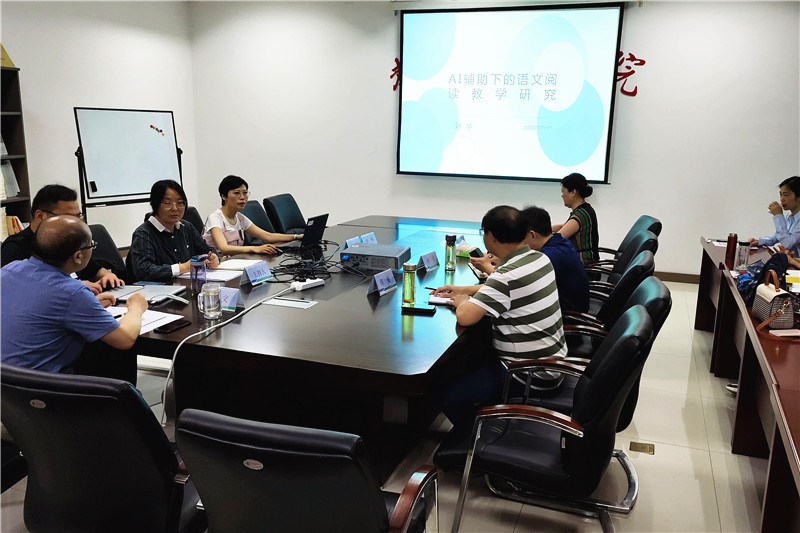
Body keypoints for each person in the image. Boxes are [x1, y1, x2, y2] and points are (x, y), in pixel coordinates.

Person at [430, 205, 567, 425]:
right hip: (553, 365)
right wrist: (464, 289)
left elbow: (465, 316)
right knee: (468, 358)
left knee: (446, 393)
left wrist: (463, 300)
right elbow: (507, 288)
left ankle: (482, 435)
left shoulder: (506, 276)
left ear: (491, 236)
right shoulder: (539, 258)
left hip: (527, 376)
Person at [1, 216, 147, 375]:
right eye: (92, 245)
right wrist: (136, 307)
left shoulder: (9, 270)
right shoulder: (72, 292)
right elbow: (125, 339)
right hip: (41, 385)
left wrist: (88, 305)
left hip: (7, 381)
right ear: (78, 256)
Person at [1, 184, 125, 293]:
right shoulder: (15, 247)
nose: (75, 223)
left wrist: (106, 276)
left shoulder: (70, 239)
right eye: (68, 217)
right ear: (40, 216)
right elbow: (17, 289)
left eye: (78, 216)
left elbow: (94, 270)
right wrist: (73, 287)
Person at [471, 205, 589, 313]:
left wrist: (487, 268)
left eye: (521, 236)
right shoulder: (559, 241)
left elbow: (516, 283)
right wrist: (503, 259)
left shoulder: (548, 256)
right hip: (569, 305)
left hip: (566, 315)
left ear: (532, 235)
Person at [128, 180, 219, 281]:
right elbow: (144, 271)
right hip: (160, 289)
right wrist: (183, 267)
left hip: (187, 284)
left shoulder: (186, 227)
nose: (175, 208)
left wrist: (214, 258)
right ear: (155, 204)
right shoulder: (143, 234)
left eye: (180, 203)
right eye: (167, 203)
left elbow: (207, 250)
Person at [202, 175, 300, 255]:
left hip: (234, 262)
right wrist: (254, 248)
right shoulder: (215, 218)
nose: (242, 197)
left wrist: (296, 236)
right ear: (223, 196)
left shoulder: (240, 218)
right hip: (215, 266)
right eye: (236, 193)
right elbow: (224, 248)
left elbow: (268, 236)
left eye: (245, 193)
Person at [552, 172, 599, 264]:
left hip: (584, 266)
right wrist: (542, 230)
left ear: (573, 192)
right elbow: (564, 226)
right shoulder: (584, 209)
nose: (562, 196)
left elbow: (557, 239)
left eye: (563, 192)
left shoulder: (580, 215)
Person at [749, 176, 800, 256]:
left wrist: (778, 216)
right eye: (780, 195)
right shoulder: (789, 216)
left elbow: (787, 243)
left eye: (785, 195)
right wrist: (758, 241)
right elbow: (776, 237)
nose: (781, 199)